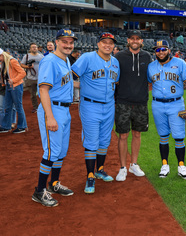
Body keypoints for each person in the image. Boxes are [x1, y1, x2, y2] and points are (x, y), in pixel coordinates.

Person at [31, 29, 77, 207]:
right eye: (64, 41)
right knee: (51, 151)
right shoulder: (50, 60)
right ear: (56, 42)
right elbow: (43, 90)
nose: (68, 45)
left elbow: (66, 83)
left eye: (71, 42)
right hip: (53, 109)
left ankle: (54, 184)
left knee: (61, 151)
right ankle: (39, 191)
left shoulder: (65, 59)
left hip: (64, 109)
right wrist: (50, 117)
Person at [72, 32, 120, 194]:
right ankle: (90, 176)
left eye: (110, 43)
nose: (107, 45)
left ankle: (99, 169)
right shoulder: (87, 57)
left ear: (114, 46)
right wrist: (82, 87)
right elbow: (71, 76)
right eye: (104, 42)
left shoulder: (115, 62)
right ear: (98, 44)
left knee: (105, 140)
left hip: (109, 105)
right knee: (92, 140)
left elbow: (116, 82)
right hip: (90, 106)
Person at [147, 40, 186, 179]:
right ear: (155, 52)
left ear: (169, 50)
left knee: (179, 136)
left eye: (163, 49)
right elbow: (148, 83)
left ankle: (181, 166)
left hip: (176, 104)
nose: (161, 52)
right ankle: (164, 165)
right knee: (163, 136)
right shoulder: (151, 66)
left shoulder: (180, 63)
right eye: (158, 50)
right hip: (157, 104)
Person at [114, 30, 152, 181]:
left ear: (141, 41)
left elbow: (150, 78)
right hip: (123, 102)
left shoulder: (147, 56)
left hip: (141, 102)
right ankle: (123, 167)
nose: (135, 41)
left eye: (138, 39)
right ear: (128, 40)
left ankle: (133, 164)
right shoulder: (119, 56)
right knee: (123, 135)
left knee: (137, 134)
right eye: (132, 38)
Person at [0, 48, 27, 133]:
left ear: (2, 55)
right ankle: (6, 126)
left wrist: (13, 80)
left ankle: (22, 126)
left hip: (16, 86)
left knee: (18, 106)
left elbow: (23, 73)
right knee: (8, 107)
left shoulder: (12, 61)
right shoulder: (5, 62)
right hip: (9, 86)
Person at [21, 42, 44, 113]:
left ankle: (44, 106)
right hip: (30, 78)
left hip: (40, 78)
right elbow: (21, 64)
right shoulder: (27, 56)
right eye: (33, 47)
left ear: (37, 48)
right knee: (33, 94)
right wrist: (28, 66)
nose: (34, 48)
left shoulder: (41, 56)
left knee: (43, 93)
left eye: (35, 47)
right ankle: (36, 107)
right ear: (30, 49)